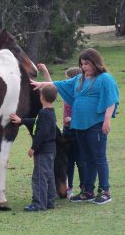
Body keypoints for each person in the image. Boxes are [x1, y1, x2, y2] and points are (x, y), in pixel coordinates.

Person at [30, 48, 119, 205]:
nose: (84, 67)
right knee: (86, 159)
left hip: (96, 126)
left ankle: (104, 191)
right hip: (80, 126)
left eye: (87, 64)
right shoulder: (79, 79)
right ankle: (88, 191)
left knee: (99, 158)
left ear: (95, 63)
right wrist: (41, 83)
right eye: (82, 64)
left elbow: (111, 100)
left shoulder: (105, 79)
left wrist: (106, 120)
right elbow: (60, 84)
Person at [38, 65, 84, 199]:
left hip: (78, 129)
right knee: (67, 161)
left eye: (67, 79)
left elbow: (85, 110)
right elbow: (51, 87)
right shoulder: (67, 93)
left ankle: (84, 187)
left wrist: (73, 119)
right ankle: (67, 187)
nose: (65, 82)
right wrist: (46, 71)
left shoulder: (80, 94)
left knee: (80, 161)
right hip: (67, 130)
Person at [10, 84, 58, 211]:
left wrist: (33, 148)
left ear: (41, 97)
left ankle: (39, 204)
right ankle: (49, 201)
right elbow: (37, 122)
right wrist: (22, 120)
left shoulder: (43, 113)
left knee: (39, 177)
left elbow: (41, 132)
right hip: (51, 150)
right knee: (49, 176)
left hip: (43, 151)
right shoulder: (50, 112)